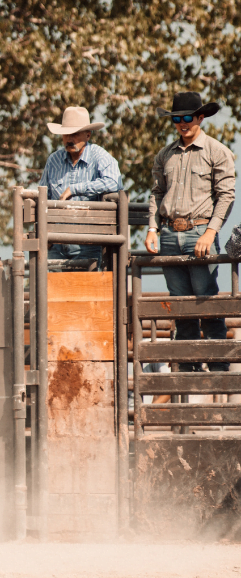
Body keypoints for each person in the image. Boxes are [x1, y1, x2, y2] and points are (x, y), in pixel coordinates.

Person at [145, 92, 236, 372]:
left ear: (200, 117)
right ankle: (188, 369)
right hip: (170, 234)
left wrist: (210, 233)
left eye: (187, 118)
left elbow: (226, 196)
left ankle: (219, 369)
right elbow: (157, 194)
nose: (182, 124)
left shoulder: (217, 152)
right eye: (177, 119)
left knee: (206, 300)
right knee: (180, 304)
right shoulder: (165, 154)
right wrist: (152, 228)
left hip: (200, 232)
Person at [38, 106, 123, 267]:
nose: (69, 138)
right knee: (51, 290)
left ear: (88, 135)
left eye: (75, 134)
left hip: (88, 243)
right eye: (66, 134)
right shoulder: (54, 160)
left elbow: (115, 182)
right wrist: (43, 232)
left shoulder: (100, 156)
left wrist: (76, 189)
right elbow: (43, 196)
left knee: (86, 289)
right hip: (56, 243)